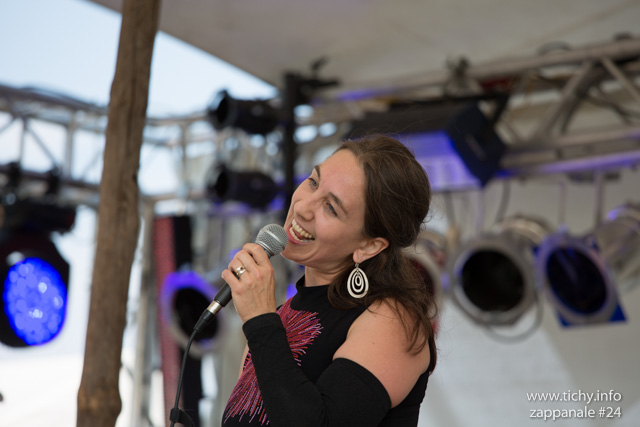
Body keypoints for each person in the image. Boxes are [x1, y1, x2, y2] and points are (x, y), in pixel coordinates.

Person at [220, 134, 437, 426]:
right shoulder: (279, 317)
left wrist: (260, 320)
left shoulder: (393, 322)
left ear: (369, 246)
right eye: (313, 182)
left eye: (331, 207)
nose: (302, 207)